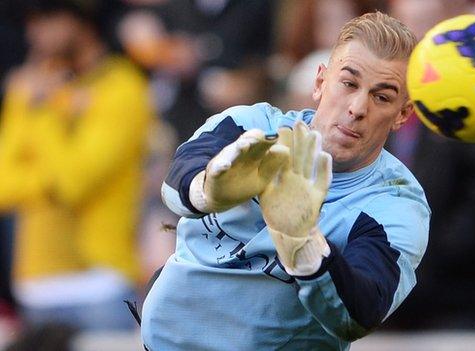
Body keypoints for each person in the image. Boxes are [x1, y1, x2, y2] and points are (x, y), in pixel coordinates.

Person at [141, 12, 430, 350]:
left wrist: (302, 241)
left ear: (402, 114)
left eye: (381, 97)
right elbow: (173, 188)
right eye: (349, 83)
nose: (357, 107)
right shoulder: (249, 125)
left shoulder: (396, 203)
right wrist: (209, 190)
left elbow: (360, 314)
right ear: (320, 82)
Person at [0, 0, 154, 331]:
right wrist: (47, 182)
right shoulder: (32, 88)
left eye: (46, 17)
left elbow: (73, 183)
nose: (35, 32)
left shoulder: (122, 88)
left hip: (101, 285)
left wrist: (42, 112)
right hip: (36, 286)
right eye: (32, 21)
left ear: (80, 17)